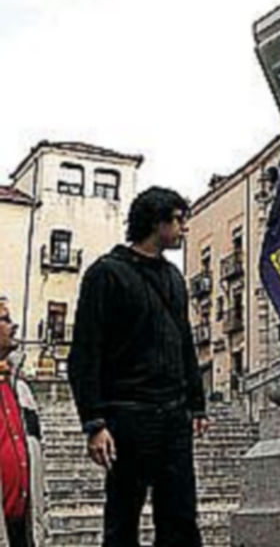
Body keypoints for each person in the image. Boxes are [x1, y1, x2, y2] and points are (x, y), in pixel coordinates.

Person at [68, 186, 208, 547]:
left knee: (181, 519)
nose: (183, 228)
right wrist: (94, 423)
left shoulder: (175, 279)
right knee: (123, 520)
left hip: (174, 417)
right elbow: (85, 354)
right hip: (128, 415)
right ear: (155, 220)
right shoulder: (106, 274)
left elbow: (184, 343)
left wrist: (197, 403)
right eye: (178, 220)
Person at [0, 297, 46, 547]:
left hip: (23, 529)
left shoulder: (22, 391)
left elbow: (38, 451)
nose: (14, 326)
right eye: (5, 319)